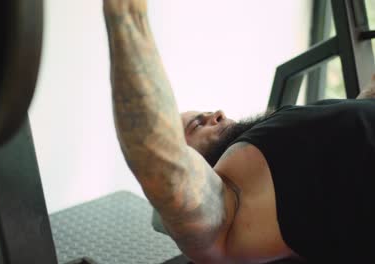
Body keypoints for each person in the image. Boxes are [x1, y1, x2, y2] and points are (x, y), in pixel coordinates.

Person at [103, 1, 375, 263]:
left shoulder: (285, 139)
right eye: (197, 124)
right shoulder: (236, 209)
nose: (217, 113)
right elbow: (157, 156)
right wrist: (125, 11)